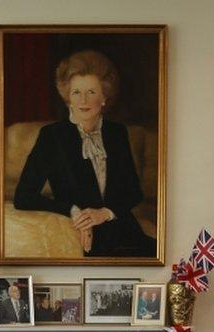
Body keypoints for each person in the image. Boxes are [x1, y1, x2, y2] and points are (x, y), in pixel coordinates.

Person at [14, 49, 156, 257]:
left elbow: (134, 192)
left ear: (104, 98)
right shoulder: (52, 136)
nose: (83, 100)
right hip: (77, 235)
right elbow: (23, 197)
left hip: (122, 231)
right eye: (76, 93)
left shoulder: (117, 133)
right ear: (68, 99)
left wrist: (105, 213)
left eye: (91, 92)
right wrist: (72, 210)